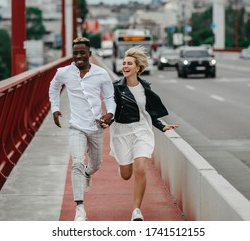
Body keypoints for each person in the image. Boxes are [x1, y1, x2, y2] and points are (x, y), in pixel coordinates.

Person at [108, 45, 178, 221]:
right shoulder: (115, 88)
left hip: (141, 130)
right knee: (126, 175)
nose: (125, 66)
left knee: (140, 168)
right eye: (124, 63)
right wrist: (104, 120)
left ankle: (136, 211)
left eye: (129, 63)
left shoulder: (145, 88)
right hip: (121, 131)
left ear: (137, 68)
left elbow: (148, 112)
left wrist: (162, 126)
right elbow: (111, 110)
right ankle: (123, 164)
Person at [49, 37, 116, 221]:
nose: (78, 56)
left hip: (95, 126)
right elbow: (53, 87)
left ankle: (87, 174)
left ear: (90, 54)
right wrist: (55, 108)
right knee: (77, 162)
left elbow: (110, 97)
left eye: (82, 53)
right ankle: (80, 209)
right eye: (75, 53)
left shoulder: (101, 74)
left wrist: (110, 114)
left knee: (96, 165)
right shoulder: (64, 72)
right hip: (76, 126)